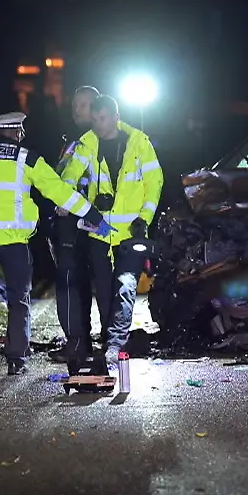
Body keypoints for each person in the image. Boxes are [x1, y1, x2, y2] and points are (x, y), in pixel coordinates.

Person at [0, 111, 113, 378]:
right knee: (19, 301)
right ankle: (16, 360)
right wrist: (91, 214)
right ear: (13, 131)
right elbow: (59, 191)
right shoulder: (25, 158)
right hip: (15, 243)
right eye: (20, 132)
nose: (22, 136)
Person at [60, 94, 164, 374]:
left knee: (125, 286)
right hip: (99, 232)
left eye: (102, 119)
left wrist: (145, 218)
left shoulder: (139, 143)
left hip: (131, 232)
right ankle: (111, 341)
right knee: (105, 291)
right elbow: (68, 178)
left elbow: (155, 182)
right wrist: (76, 203)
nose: (97, 124)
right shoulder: (87, 143)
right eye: (94, 119)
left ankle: (116, 344)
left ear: (115, 117)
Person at [49, 85, 100, 371]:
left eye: (83, 105)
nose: (76, 109)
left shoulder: (94, 141)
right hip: (74, 220)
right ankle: (81, 340)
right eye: (75, 104)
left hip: (78, 220)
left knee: (71, 282)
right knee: (76, 282)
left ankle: (78, 343)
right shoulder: (74, 141)